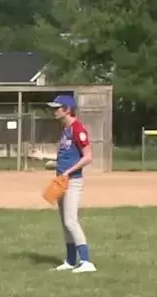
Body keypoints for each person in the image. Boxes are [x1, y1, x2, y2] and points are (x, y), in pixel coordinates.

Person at [47, 94, 96, 273]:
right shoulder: (66, 130)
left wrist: (67, 172)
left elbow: (88, 157)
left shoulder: (77, 128)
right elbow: (67, 155)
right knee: (64, 222)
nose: (54, 111)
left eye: (57, 108)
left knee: (71, 220)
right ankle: (70, 260)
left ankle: (86, 261)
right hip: (61, 179)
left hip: (72, 180)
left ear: (67, 109)